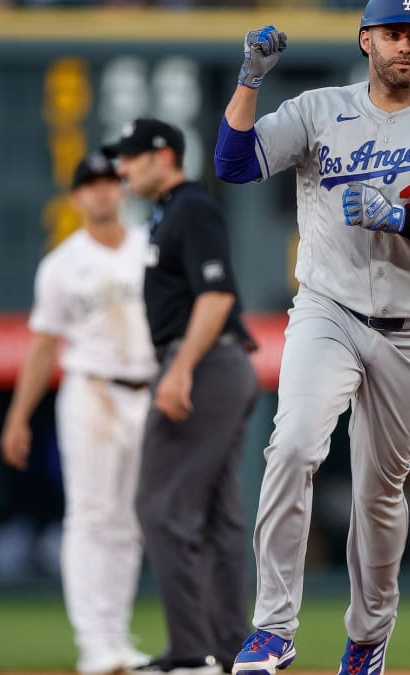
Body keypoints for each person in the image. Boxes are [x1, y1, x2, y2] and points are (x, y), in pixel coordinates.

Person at [213, 0, 410, 670]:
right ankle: (273, 628)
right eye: (392, 33)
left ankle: (369, 639)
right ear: (365, 40)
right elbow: (234, 164)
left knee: (380, 494)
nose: (404, 46)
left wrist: (405, 219)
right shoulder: (321, 110)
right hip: (330, 310)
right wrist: (250, 80)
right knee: (291, 445)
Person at [103, 117, 259, 675]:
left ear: (163, 155)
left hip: (205, 359)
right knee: (218, 518)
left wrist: (179, 369)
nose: (121, 169)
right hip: (218, 362)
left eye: (130, 157)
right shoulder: (170, 213)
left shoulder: (191, 208)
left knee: (161, 507)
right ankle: (234, 652)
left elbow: (216, 296)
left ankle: (193, 655)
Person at [1, 152, 156, 675]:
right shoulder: (63, 264)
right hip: (91, 391)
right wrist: (19, 415)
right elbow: (43, 346)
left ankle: (117, 635)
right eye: (90, 184)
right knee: (91, 516)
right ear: (76, 198)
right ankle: (95, 644)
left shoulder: (150, 246)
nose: (102, 191)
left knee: (131, 521)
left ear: (122, 189)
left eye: (109, 181)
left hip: (148, 390)